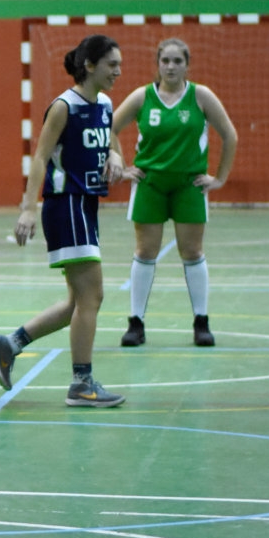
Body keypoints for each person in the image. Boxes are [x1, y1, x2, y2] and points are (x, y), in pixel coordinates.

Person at [0, 34, 126, 408]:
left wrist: (116, 157)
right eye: (112, 64)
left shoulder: (105, 104)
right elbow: (40, 156)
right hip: (66, 204)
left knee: (76, 302)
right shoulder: (64, 107)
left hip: (86, 206)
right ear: (90, 65)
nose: (118, 71)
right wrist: (28, 208)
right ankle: (81, 383)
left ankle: (9, 344)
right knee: (92, 296)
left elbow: (111, 140)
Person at [110, 36, 238, 347]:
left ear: (187, 65)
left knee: (192, 252)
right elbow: (110, 127)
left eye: (177, 61)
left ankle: (201, 321)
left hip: (188, 185)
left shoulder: (200, 96)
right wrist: (121, 166)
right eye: (165, 60)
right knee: (145, 252)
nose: (170, 66)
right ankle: (136, 322)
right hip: (150, 183)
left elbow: (229, 135)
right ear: (157, 64)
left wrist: (220, 178)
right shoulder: (143, 96)